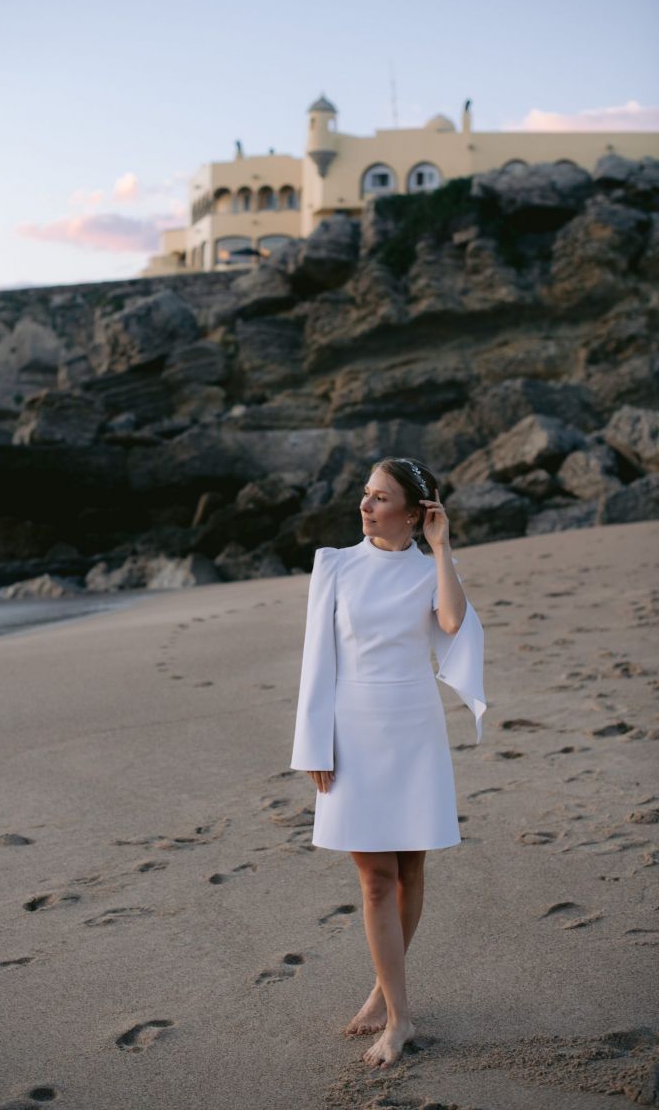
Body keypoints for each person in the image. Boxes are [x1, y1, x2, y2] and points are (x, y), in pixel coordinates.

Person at [290, 456, 486, 1069]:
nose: (365, 506)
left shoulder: (429, 573)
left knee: (411, 870)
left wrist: (442, 546)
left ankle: (384, 986)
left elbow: (452, 623)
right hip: (352, 731)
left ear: (412, 511)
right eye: (365, 494)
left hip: (414, 729)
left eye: (379, 498)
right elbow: (316, 660)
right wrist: (313, 745)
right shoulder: (336, 564)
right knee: (375, 879)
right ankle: (401, 1017)